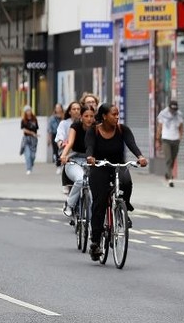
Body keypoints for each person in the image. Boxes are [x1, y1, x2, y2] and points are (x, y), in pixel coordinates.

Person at [85, 103, 148, 261]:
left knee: (126, 182)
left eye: (118, 114)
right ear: (104, 116)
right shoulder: (94, 131)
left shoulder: (122, 130)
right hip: (99, 167)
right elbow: (90, 147)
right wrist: (90, 157)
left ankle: (123, 207)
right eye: (113, 114)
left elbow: (131, 144)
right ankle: (95, 242)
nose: (117, 117)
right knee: (99, 201)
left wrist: (140, 157)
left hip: (117, 166)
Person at [59, 104, 97, 217]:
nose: (89, 119)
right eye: (86, 116)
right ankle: (69, 204)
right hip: (74, 160)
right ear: (81, 116)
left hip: (91, 161)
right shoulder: (75, 126)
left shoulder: (97, 128)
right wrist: (64, 156)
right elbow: (70, 143)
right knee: (80, 180)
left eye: (91, 116)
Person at [56, 101, 83, 194]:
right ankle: (66, 184)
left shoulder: (84, 122)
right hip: (68, 149)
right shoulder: (64, 123)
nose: (76, 111)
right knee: (67, 160)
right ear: (69, 112)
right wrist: (61, 143)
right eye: (74, 109)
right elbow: (60, 135)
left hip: (81, 150)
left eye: (78, 109)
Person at [156, 99, 184, 187]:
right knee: (168, 159)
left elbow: (181, 127)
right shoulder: (163, 114)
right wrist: (157, 140)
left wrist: (180, 137)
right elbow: (160, 127)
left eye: (174, 110)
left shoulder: (179, 114)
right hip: (166, 139)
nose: (173, 111)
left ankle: (168, 174)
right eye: (172, 109)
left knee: (173, 159)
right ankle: (170, 179)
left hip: (175, 139)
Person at [20, 105, 39, 175]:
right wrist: (31, 133)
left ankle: (31, 165)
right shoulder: (23, 120)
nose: (28, 112)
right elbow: (24, 130)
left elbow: (36, 129)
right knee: (27, 155)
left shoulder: (34, 119)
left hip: (34, 140)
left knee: (33, 156)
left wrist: (35, 135)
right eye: (27, 111)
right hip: (26, 139)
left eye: (29, 110)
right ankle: (28, 169)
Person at [48, 103, 64, 174]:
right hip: (55, 135)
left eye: (59, 107)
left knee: (64, 150)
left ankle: (64, 164)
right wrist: (49, 139)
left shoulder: (64, 116)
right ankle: (58, 166)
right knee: (56, 151)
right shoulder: (52, 118)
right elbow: (49, 129)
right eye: (56, 108)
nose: (58, 109)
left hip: (64, 135)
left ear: (61, 108)